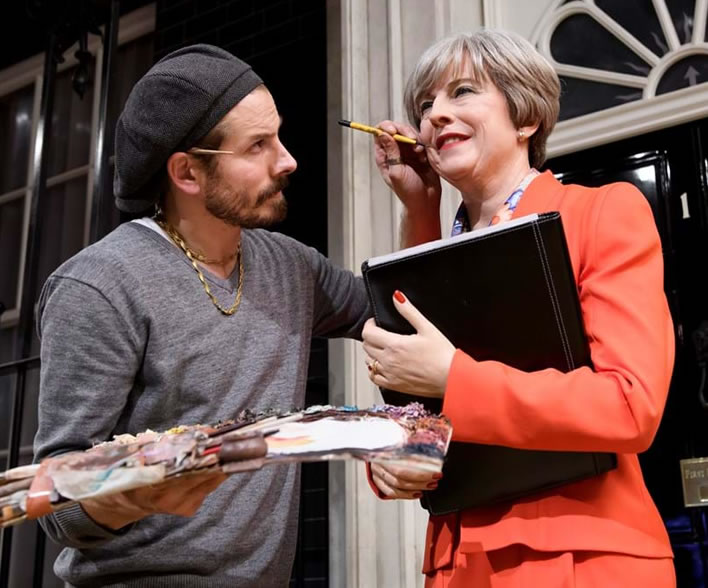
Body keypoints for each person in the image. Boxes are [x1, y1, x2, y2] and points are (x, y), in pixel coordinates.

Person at [33, 44, 370, 587]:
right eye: (258, 145)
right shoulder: (100, 284)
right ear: (187, 172)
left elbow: (401, 315)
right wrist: (129, 494)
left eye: (277, 136)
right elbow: (54, 503)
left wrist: (421, 200)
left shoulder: (291, 267)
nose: (287, 160)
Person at [362, 30, 676, 586]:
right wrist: (398, 463)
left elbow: (631, 405)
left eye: (461, 92)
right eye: (424, 105)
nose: (435, 115)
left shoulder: (602, 213)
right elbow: (421, 424)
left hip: (583, 560)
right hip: (455, 566)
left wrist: (454, 377)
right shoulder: (427, 239)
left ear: (525, 116)